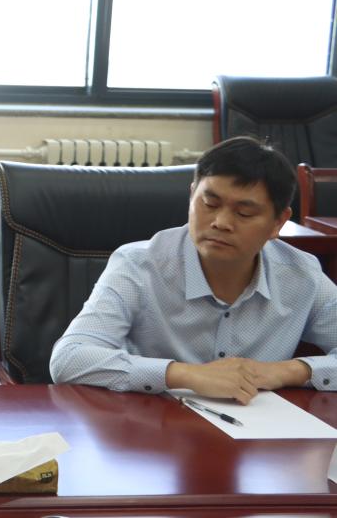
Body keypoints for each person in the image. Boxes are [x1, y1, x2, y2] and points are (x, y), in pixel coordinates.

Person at [50, 136, 337, 403]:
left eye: (244, 213)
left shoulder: (301, 275)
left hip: (257, 431)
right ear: (191, 196)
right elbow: (69, 358)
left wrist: (289, 371)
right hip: (153, 425)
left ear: (278, 222)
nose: (221, 222)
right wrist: (186, 375)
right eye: (209, 203)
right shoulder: (139, 265)